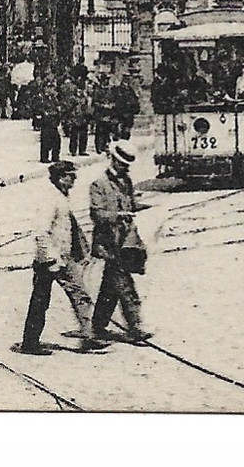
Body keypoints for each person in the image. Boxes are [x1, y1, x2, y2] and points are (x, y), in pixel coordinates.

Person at [15, 161, 107, 355]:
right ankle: (31, 343)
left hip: (59, 258)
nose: (74, 180)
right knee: (48, 300)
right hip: (52, 260)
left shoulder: (61, 196)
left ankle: (88, 336)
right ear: (60, 178)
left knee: (63, 297)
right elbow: (41, 232)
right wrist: (51, 259)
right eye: (70, 176)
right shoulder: (51, 199)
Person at [90, 140, 152, 340]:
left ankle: (98, 326)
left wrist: (143, 207)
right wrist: (118, 215)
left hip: (125, 242)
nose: (125, 168)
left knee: (110, 286)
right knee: (125, 286)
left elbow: (131, 204)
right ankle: (135, 328)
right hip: (109, 243)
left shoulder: (126, 181)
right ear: (114, 161)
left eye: (127, 165)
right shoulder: (99, 184)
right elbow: (97, 214)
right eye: (122, 164)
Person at [64, 80, 91, 157]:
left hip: (83, 118)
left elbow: (87, 108)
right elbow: (69, 108)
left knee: (83, 135)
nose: (79, 92)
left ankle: (82, 150)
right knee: (74, 135)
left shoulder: (85, 98)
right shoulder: (72, 98)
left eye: (81, 90)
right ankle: (73, 150)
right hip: (75, 118)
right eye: (78, 90)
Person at [38, 82, 63, 164]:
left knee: (56, 141)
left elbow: (58, 108)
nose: (52, 90)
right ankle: (44, 157)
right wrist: (46, 113)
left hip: (53, 122)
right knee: (45, 141)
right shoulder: (41, 98)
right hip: (46, 123)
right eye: (51, 88)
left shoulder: (53, 98)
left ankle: (55, 157)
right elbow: (39, 108)